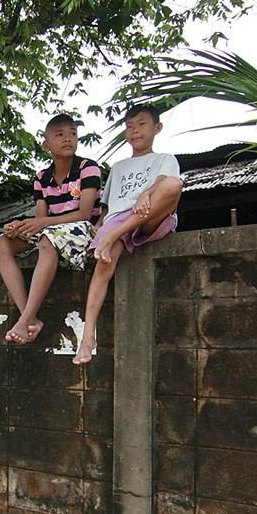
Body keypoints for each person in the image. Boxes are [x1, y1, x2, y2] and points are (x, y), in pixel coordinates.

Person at [73, 103, 182, 365]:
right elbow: (109, 207)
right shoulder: (119, 167)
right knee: (103, 266)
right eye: (130, 126)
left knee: (173, 185)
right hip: (119, 220)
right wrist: (100, 227)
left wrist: (146, 193)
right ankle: (88, 336)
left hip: (149, 214)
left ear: (157, 128)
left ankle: (115, 235)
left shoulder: (165, 158)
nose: (135, 131)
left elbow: (166, 184)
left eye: (142, 124)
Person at [0, 114, 101, 344]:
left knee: (47, 240)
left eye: (72, 133)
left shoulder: (88, 168)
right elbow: (41, 218)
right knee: (1, 242)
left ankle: (24, 320)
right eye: (59, 135)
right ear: (46, 144)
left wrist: (41, 224)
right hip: (52, 230)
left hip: (81, 229)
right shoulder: (41, 178)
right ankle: (30, 318)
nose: (68, 139)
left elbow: (84, 214)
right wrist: (20, 227)